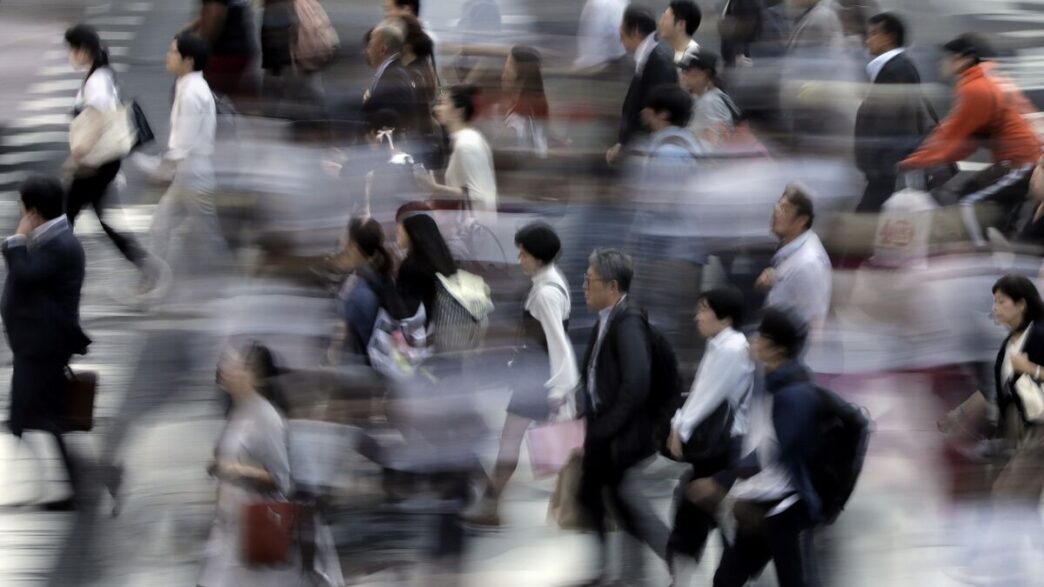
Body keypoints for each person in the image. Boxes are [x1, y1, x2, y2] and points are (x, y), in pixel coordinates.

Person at [686, 308, 823, 587]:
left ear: (775, 348)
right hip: (760, 506)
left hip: (785, 508)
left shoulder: (793, 395)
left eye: (761, 337)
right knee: (726, 580)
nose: (753, 341)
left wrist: (719, 481)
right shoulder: (773, 382)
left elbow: (770, 454)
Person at [198, 343, 345, 586]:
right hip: (231, 529)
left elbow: (281, 480)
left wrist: (236, 470)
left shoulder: (267, 417)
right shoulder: (239, 412)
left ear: (256, 378)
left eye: (238, 367)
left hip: (257, 528)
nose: (228, 371)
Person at [466, 223, 579, 527]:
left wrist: (558, 389)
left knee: (511, 442)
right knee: (537, 443)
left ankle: (491, 505)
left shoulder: (545, 293)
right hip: (538, 375)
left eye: (524, 254)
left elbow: (558, 344)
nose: (520, 259)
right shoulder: (551, 282)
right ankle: (494, 504)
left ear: (538, 257)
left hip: (539, 378)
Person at [938, 275, 1044, 582]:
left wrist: (1032, 369)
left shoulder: (1039, 336)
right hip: (1020, 430)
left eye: (1001, 302)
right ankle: (1010, 566)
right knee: (1014, 497)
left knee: (1007, 493)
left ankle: (1002, 567)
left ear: (1021, 304)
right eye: (994, 302)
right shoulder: (1008, 345)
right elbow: (992, 394)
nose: (995, 308)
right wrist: (957, 416)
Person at [576, 248, 670, 585]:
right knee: (593, 494)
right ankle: (614, 571)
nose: (584, 287)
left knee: (623, 501)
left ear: (612, 286)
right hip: (603, 425)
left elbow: (636, 382)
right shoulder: (607, 318)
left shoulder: (627, 323)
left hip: (619, 430)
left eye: (589, 281)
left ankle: (673, 556)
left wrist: (609, 426)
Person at [2, 175, 92, 511]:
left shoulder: (59, 245)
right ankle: (65, 484)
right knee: (34, 416)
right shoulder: (54, 239)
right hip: (37, 344)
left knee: (34, 416)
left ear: (33, 212)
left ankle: (66, 485)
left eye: (23, 208)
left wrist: (17, 238)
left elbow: (24, 274)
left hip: (44, 346)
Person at [900, 35, 1042, 244]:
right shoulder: (986, 79)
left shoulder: (976, 88)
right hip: (1015, 161)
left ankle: (982, 255)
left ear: (964, 59)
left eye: (948, 57)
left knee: (968, 202)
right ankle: (1006, 247)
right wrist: (929, 156)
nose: (942, 62)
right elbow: (966, 138)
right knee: (984, 205)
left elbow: (954, 136)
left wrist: (913, 161)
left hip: (1020, 162)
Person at [665, 287, 755, 584]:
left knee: (698, 510)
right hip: (721, 446)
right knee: (701, 511)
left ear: (726, 317)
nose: (697, 316)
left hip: (726, 446)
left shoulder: (732, 349)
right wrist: (679, 424)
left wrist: (681, 427)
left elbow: (709, 395)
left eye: (704, 309)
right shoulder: (720, 345)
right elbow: (702, 391)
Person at [62, 24, 157, 287]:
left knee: (66, 216)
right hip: (103, 162)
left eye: (71, 49)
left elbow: (97, 121)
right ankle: (144, 264)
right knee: (95, 218)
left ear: (83, 50)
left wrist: (77, 155)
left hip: (97, 162)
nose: (70, 55)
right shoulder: (100, 75)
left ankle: (54, 269)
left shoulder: (96, 81)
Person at [135, 34, 225, 293]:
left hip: (194, 176)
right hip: (188, 176)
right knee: (160, 225)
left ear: (188, 60)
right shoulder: (189, 86)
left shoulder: (191, 93)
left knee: (208, 235)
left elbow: (181, 147)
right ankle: (152, 282)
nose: (168, 56)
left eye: (173, 52)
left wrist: (158, 169)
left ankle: (224, 285)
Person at [853, 12, 931, 213]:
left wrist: (878, 163)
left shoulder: (896, 70)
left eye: (873, 34)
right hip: (887, 166)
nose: (868, 40)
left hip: (887, 167)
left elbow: (890, 123)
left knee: (866, 217)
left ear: (889, 37)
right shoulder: (894, 67)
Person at [606, 5, 679, 165]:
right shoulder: (647, 59)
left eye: (622, 33)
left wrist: (627, 147)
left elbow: (656, 114)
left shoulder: (659, 64)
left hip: (648, 154)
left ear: (636, 31)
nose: (620, 39)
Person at [414, 85, 499, 219]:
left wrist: (434, 187)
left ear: (458, 111)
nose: (436, 109)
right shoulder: (463, 140)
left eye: (443, 103)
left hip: (477, 227)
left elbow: (478, 195)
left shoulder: (467, 144)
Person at [755, 185, 832, 332]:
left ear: (801, 220)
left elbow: (814, 324)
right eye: (778, 206)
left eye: (785, 210)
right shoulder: (790, 250)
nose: (776, 213)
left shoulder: (809, 263)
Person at [335, 217, 405, 357]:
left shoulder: (359, 295)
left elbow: (360, 349)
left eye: (343, 247)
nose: (339, 253)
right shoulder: (381, 277)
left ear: (353, 248)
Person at [182, 0, 258, 98]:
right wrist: (191, 27)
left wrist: (199, 45)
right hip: (237, 52)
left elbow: (215, 14)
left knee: (190, 88)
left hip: (225, 56)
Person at [363, 22, 424, 137]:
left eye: (370, 45)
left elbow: (393, 118)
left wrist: (368, 102)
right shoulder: (394, 73)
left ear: (383, 48)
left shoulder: (394, 77)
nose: (367, 50)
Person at [395, 209, 457, 322]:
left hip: (421, 324)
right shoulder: (443, 259)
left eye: (403, 232)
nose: (398, 236)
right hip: (444, 321)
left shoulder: (411, 266)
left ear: (413, 235)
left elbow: (403, 305)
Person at [499, 46, 551, 159]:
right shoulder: (537, 107)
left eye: (507, 72)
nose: (503, 77)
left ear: (521, 80)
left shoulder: (517, 120)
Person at [677, 51, 737, 145]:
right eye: (683, 71)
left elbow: (713, 143)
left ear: (704, 74)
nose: (683, 76)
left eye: (688, 71)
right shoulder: (712, 95)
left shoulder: (709, 102)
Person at [574, 0, 628, 72]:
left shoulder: (598, 4)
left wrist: (585, 62)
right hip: (620, 53)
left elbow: (595, 32)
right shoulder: (620, 2)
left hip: (604, 61)